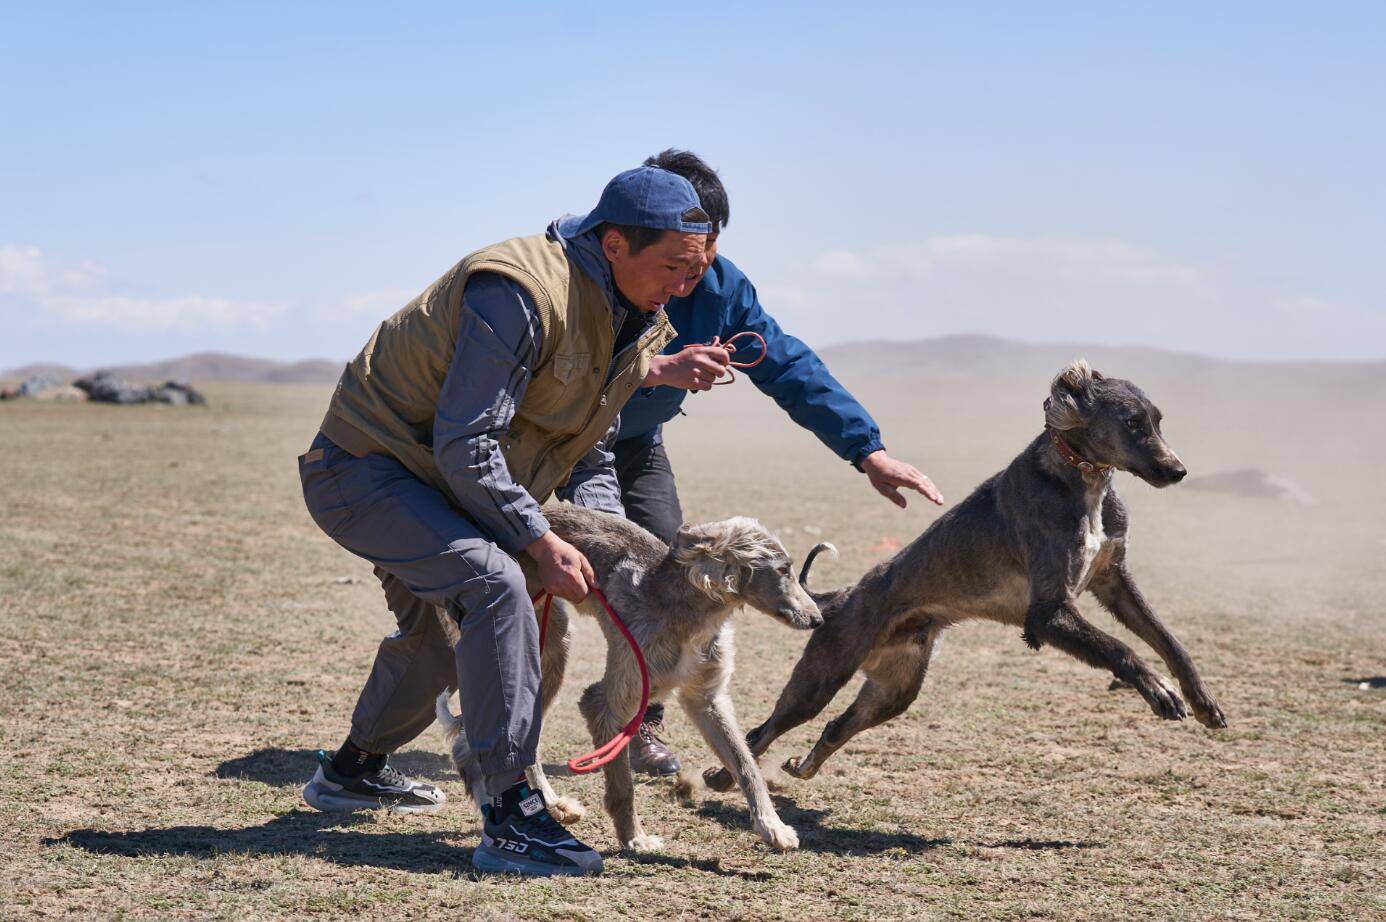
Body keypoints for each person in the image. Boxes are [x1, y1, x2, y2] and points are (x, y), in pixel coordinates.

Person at [297, 166, 709, 876]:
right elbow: (467, 441)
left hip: (448, 487)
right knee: (493, 587)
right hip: (366, 470)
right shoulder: (518, 291)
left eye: (695, 270)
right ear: (614, 244)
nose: (684, 286)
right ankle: (512, 811)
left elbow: (593, 451)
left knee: (443, 636)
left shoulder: (630, 321)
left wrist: (606, 549)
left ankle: (351, 770)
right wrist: (535, 537)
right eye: (673, 267)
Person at [615, 151, 945, 776]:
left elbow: (788, 366)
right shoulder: (592, 275)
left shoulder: (721, 290)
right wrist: (654, 370)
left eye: (706, 246)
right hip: (558, 442)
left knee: (670, 571)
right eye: (678, 252)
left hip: (635, 447)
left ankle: (640, 726)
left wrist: (866, 450)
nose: (693, 267)